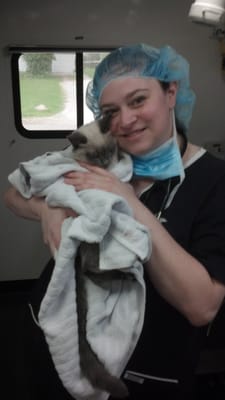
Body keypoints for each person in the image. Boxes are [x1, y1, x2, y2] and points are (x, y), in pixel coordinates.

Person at [4, 43, 225, 400]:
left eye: (138, 100)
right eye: (110, 110)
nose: (125, 120)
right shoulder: (105, 154)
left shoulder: (214, 181)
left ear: (171, 93)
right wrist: (48, 209)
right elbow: (16, 192)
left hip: (144, 370)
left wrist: (130, 203)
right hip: (55, 335)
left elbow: (202, 306)